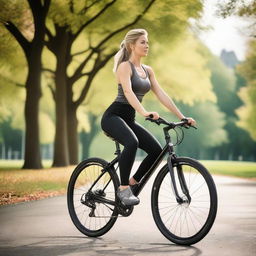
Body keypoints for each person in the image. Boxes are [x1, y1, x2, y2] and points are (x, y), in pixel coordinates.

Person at [101, 28, 196, 206]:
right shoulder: (124, 67)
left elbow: (161, 94)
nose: (147, 45)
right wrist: (144, 112)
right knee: (132, 142)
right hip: (113, 117)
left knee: (155, 150)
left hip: (128, 119)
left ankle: (132, 183)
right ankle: (123, 189)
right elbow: (128, 92)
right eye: (143, 42)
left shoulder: (147, 70)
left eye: (147, 42)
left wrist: (182, 116)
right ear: (132, 45)